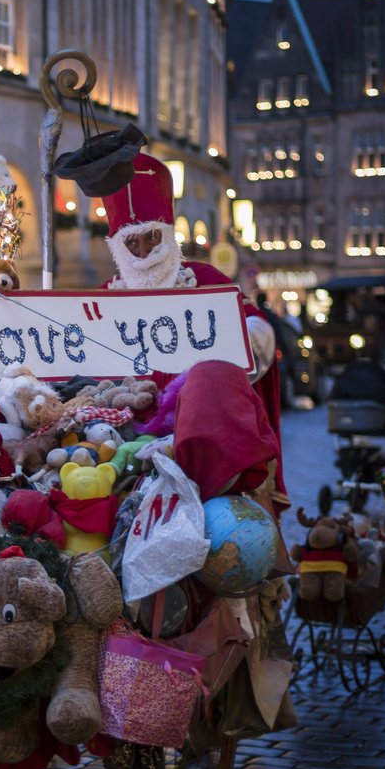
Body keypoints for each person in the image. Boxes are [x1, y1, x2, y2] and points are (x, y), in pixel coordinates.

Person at [100, 154, 288, 514]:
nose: (143, 252)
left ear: (167, 234)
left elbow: (256, 334)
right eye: (131, 243)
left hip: (202, 440)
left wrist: (214, 370)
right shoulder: (105, 296)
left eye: (152, 238)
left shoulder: (206, 280)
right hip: (126, 439)